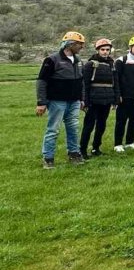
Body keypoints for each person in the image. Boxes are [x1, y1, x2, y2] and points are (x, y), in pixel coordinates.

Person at [37, 31, 86, 168]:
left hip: (74, 101)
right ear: (69, 44)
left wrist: (81, 99)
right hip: (57, 101)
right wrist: (41, 102)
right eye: (79, 44)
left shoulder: (78, 61)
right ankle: (48, 158)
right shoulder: (52, 60)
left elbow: (80, 81)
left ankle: (74, 154)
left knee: (73, 128)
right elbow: (42, 81)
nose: (81, 47)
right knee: (53, 129)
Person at [80, 38, 119, 158]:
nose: (105, 52)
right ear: (97, 50)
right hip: (93, 100)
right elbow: (84, 84)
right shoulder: (90, 65)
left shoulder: (112, 64)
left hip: (106, 100)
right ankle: (82, 150)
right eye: (103, 49)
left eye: (108, 50)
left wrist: (115, 99)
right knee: (89, 126)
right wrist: (85, 101)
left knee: (101, 125)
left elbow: (115, 83)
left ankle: (96, 148)